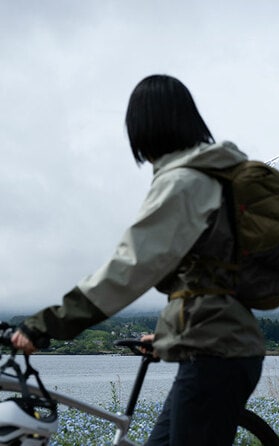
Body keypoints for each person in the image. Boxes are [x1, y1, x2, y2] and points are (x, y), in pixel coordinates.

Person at [11, 74, 265, 445]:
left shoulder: (183, 183)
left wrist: (44, 324)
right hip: (218, 349)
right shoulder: (216, 176)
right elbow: (207, 279)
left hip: (215, 356)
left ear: (146, 128)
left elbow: (129, 269)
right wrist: (166, 334)